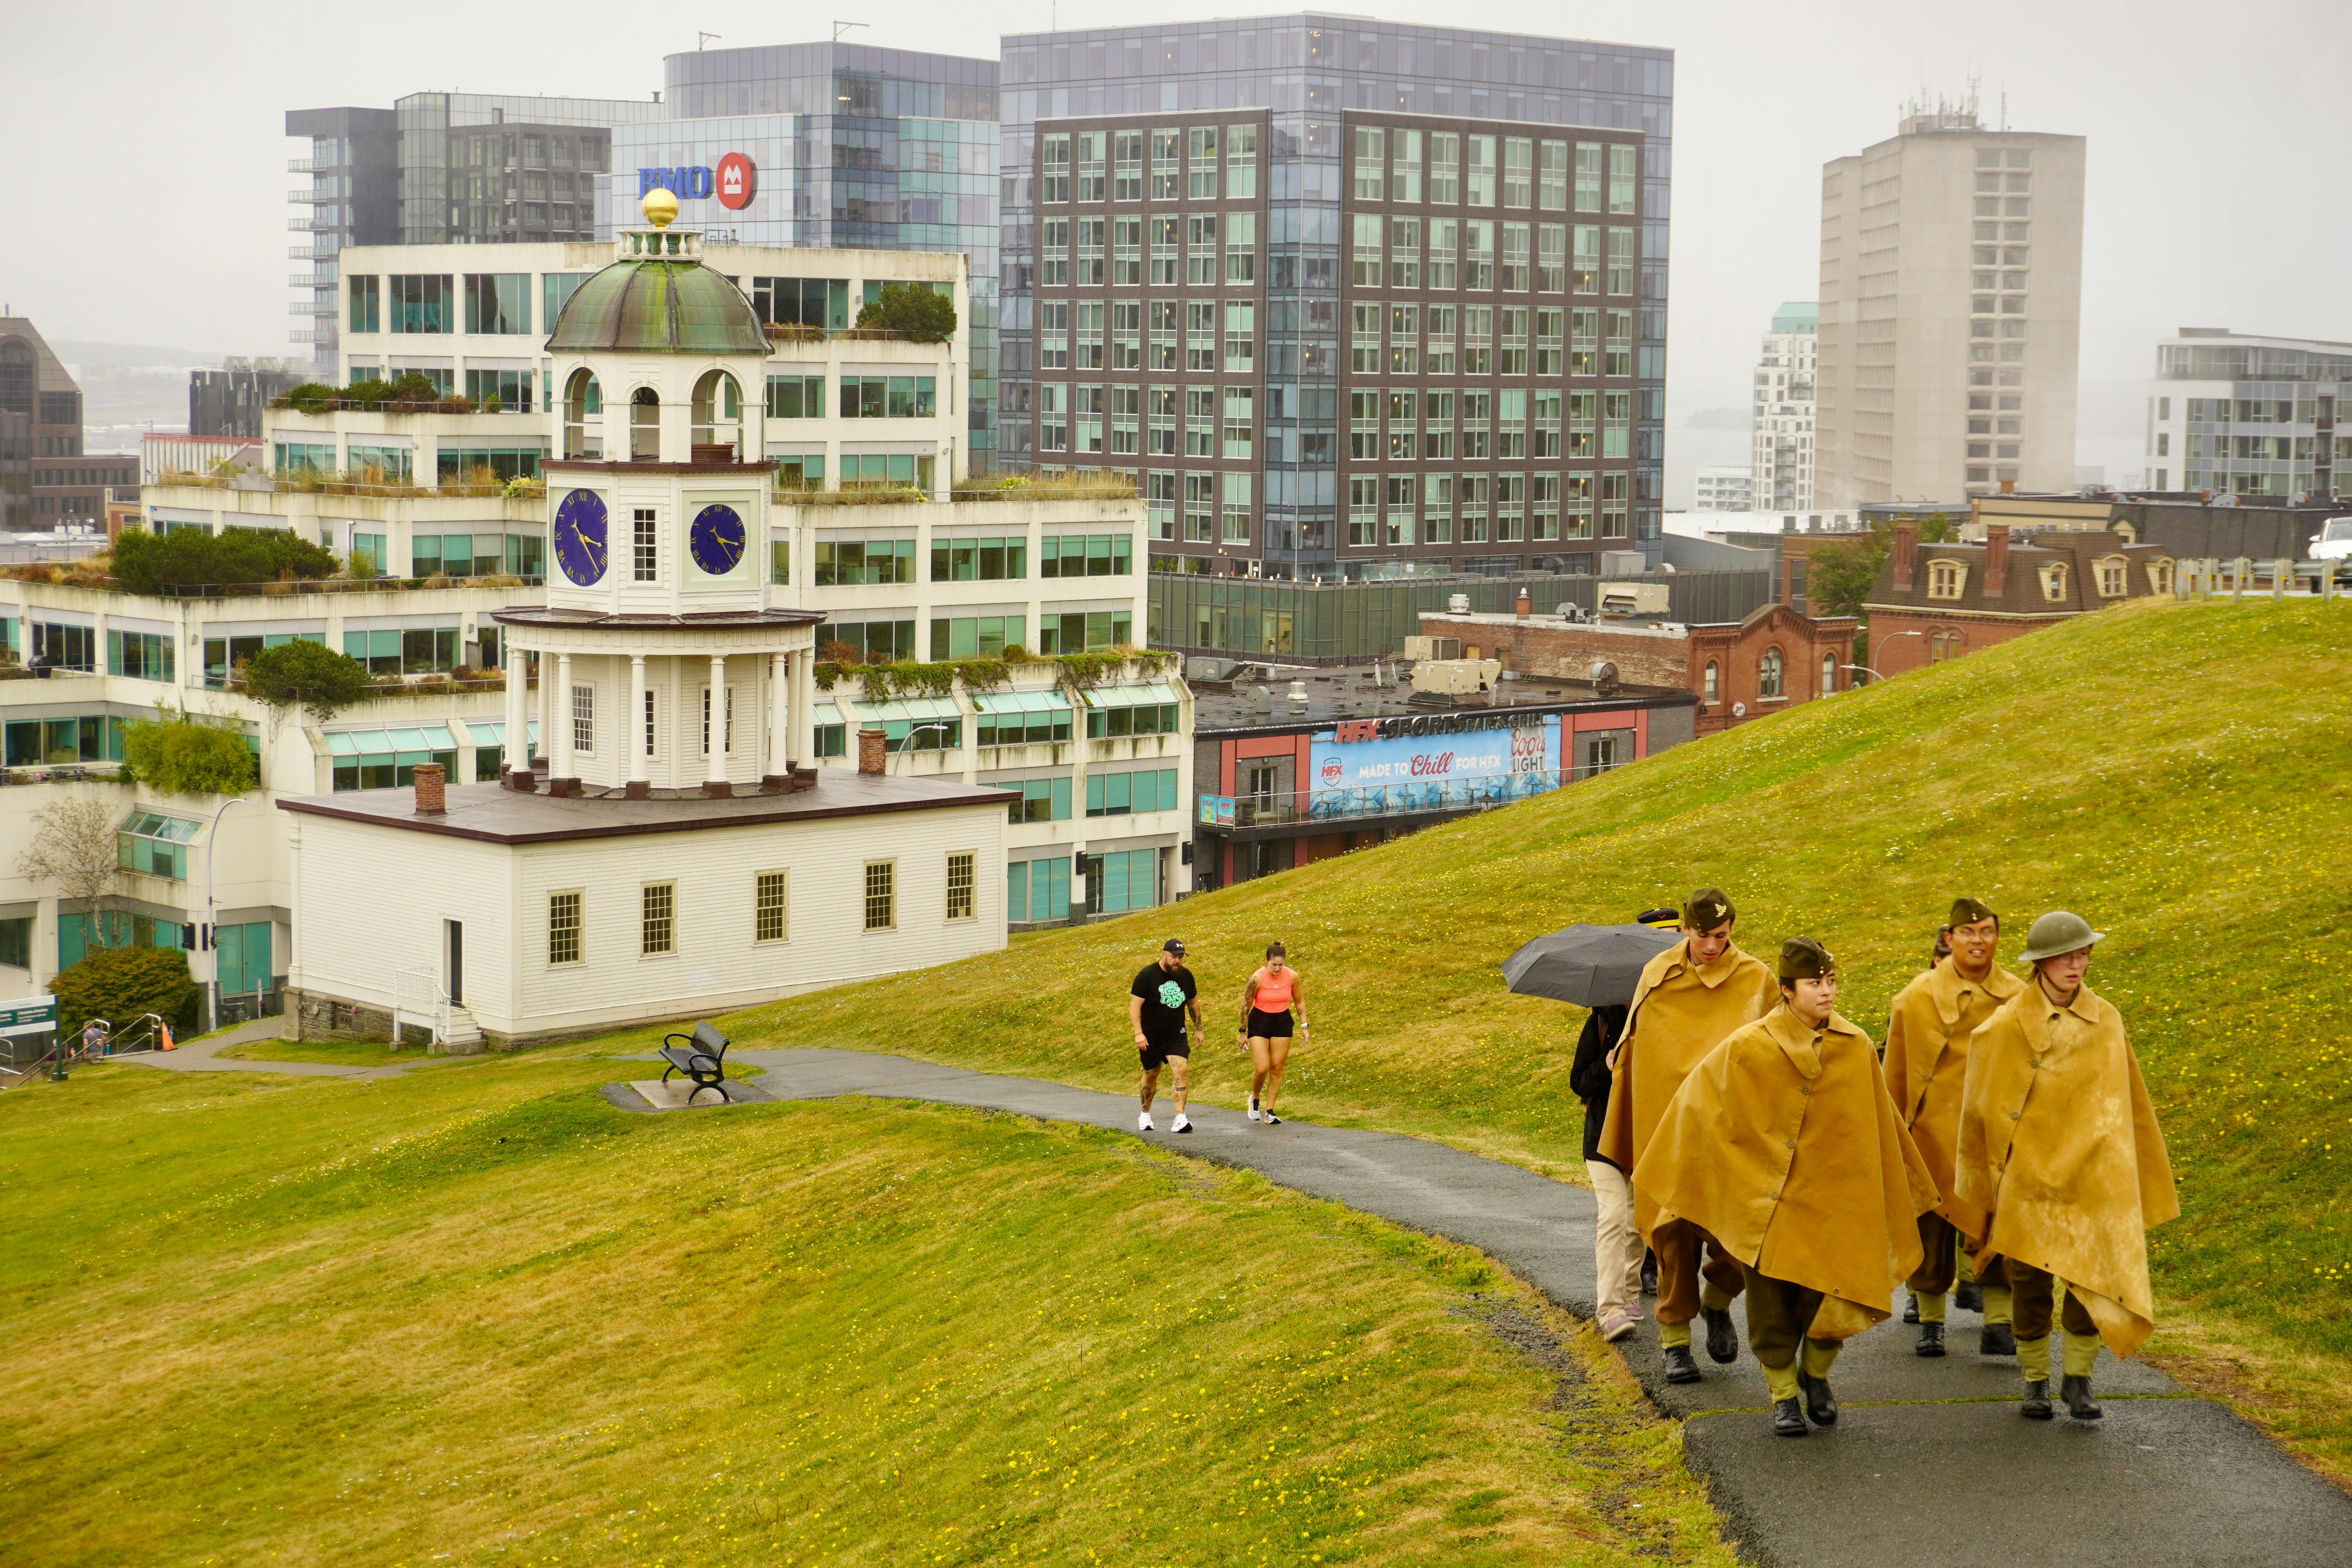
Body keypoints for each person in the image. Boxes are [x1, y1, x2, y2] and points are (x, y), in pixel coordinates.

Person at [1635, 938, 1939, 1437]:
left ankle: (1815, 1374)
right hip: (1769, 1206)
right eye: (1815, 984)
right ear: (1785, 990)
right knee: (1771, 1308)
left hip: (1832, 1205)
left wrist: (1898, 1189)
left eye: (1831, 981)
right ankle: (1783, 1399)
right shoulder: (1747, 1046)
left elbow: (1880, 1127)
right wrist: (1719, 1176)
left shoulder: (1856, 1046)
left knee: (1835, 1301)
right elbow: (1698, 1108)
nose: (1826, 992)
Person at [1952, 911, 2178, 1422]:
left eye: (2084, 955)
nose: (2078, 965)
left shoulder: (2107, 1020)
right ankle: (2034, 1383)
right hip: (2029, 1179)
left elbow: (2127, 1105)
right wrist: (1991, 1174)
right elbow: (1980, 1108)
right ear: (2041, 964)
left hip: (2092, 1178)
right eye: (2067, 957)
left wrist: (2123, 1167)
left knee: (2095, 1280)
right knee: (2028, 1281)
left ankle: (2078, 1380)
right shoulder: (2004, 1027)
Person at [1597, 887, 1782, 1384]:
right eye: (1704, 936)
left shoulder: (1756, 979)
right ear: (1686, 930)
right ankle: (1676, 1343)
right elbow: (1638, 1049)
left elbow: (1776, 1052)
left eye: (1723, 936)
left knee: (1743, 1238)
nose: (1713, 946)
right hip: (1668, 1131)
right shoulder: (1658, 975)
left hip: (1731, 1134)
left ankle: (1718, 1300)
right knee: (1672, 1237)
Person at [1882, 897, 2024, 1356]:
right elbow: (1896, 1074)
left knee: (1999, 1229)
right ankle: (1930, 1322)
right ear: (1949, 939)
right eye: (1968, 932)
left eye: (1986, 931)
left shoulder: (2021, 997)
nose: (1978, 940)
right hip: (1932, 1135)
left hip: (1996, 1135)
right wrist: (1893, 1137)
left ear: (1998, 937)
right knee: (1931, 1233)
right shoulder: (1914, 999)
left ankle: (2000, 1321)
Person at [1571, 999, 1640, 1339]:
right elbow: (1579, 1081)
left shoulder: (1664, 1016)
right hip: (1602, 1139)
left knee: (1638, 1220)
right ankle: (1610, 1310)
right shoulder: (1601, 1021)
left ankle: (1630, 1295)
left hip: (1644, 1137)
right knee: (1614, 1216)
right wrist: (1606, 1066)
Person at [1129, 938, 1203, 1134]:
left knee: (1181, 1069)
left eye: (1180, 958)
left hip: (1175, 1034)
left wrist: (1199, 1029)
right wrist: (1139, 1033)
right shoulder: (1147, 975)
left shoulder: (1186, 976)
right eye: (1174, 957)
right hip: (1151, 1035)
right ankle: (1145, 1114)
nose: (1177, 961)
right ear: (1164, 954)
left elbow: (1193, 1004)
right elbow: (1135, 1006)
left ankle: (1180, 1118)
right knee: (1151, 1073)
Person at [1238, 942, 1307, 1125]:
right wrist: (1242, 1033)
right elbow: (1246, 1005)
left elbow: (1299, 1001)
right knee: (1262, 1067)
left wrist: (1304, 1026)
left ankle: (1270, 1111)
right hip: (1260, 1022)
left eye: (1281, 965)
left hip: (1282, 1023)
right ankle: (1255, 1099)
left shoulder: (1292, 977)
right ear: (1266, 961)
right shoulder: (1257, 978)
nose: (1277, 969)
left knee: (1277, 1068)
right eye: (1274, 965)